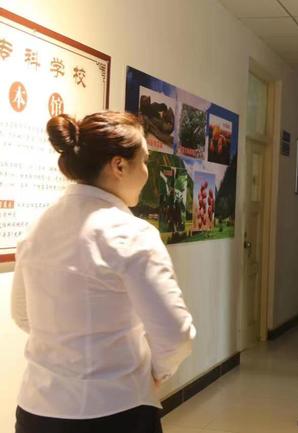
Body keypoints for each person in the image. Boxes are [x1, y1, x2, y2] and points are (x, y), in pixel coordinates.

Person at [11, 112, 196, 433]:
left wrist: (67, 351)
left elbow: (22, 315)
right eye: (144, 161)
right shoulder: (132, 233)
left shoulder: (38, 227)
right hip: (115, 410)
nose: (146, 172)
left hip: (36, 411)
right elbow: (175, 335)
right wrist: (155, 373)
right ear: (119, 166)